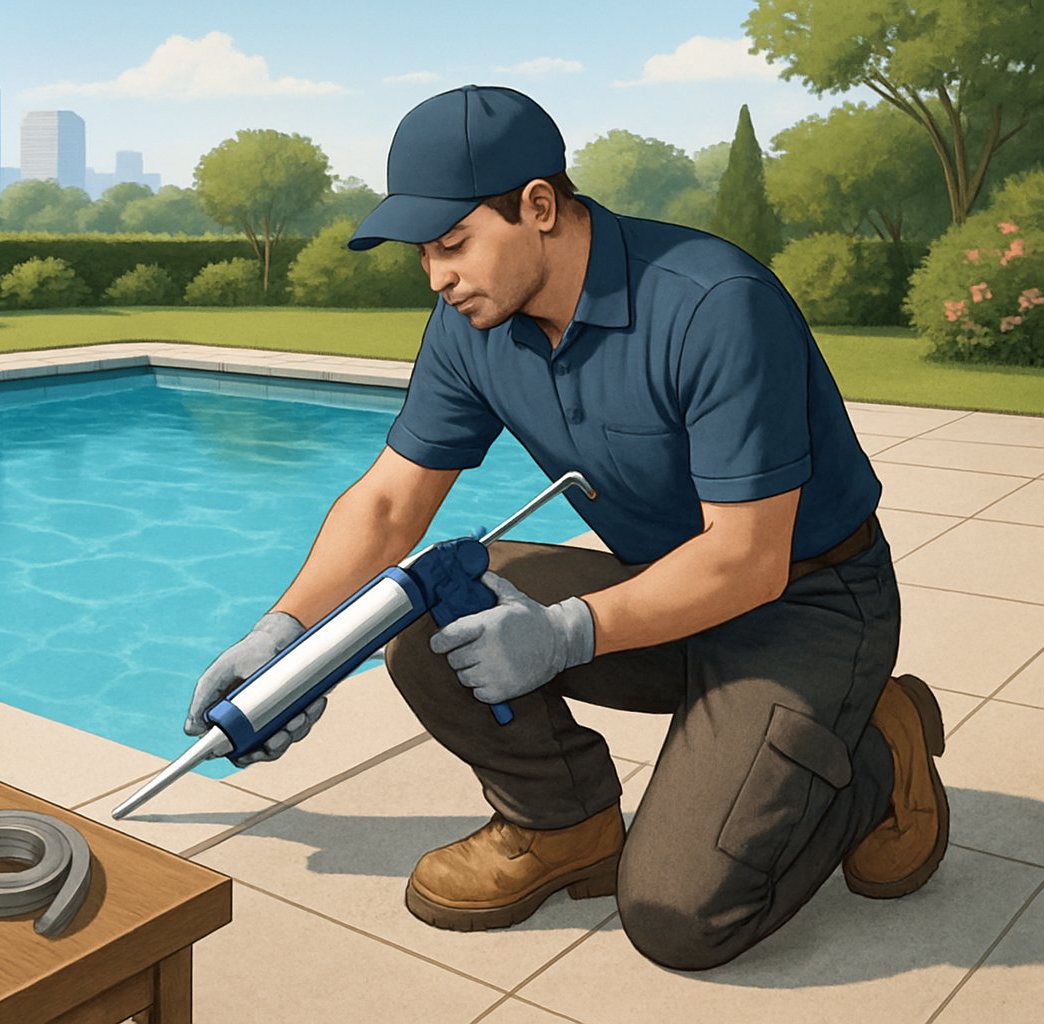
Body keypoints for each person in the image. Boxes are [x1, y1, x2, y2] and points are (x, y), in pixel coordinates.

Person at [184, 84, 949, 971]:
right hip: (659, 588)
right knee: (426, 610)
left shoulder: (714, 303)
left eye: (452, 243)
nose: (436, 275)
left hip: (810, 603)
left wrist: (563, 634)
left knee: (681, 919)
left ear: (539, 207)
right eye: (425, 251)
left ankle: (872, 748)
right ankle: (564, 823)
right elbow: (392, 502)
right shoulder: (473, 325)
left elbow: (747, 559)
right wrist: (285, 638)